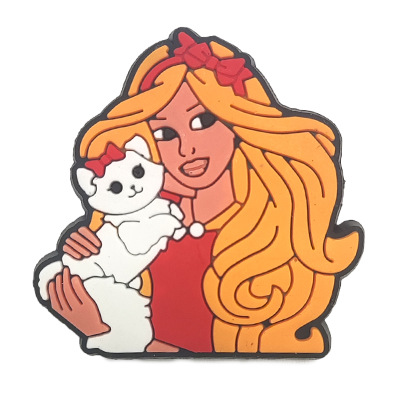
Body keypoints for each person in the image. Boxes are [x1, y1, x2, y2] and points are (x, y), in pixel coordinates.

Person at [44, 28, 363, 356]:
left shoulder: (279, 226)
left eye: (203, 121)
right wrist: (92, 253)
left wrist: (104, 332)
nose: (187, 148)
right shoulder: (141, 222)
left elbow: (208, 349)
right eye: (165, 134)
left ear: (238, 120)